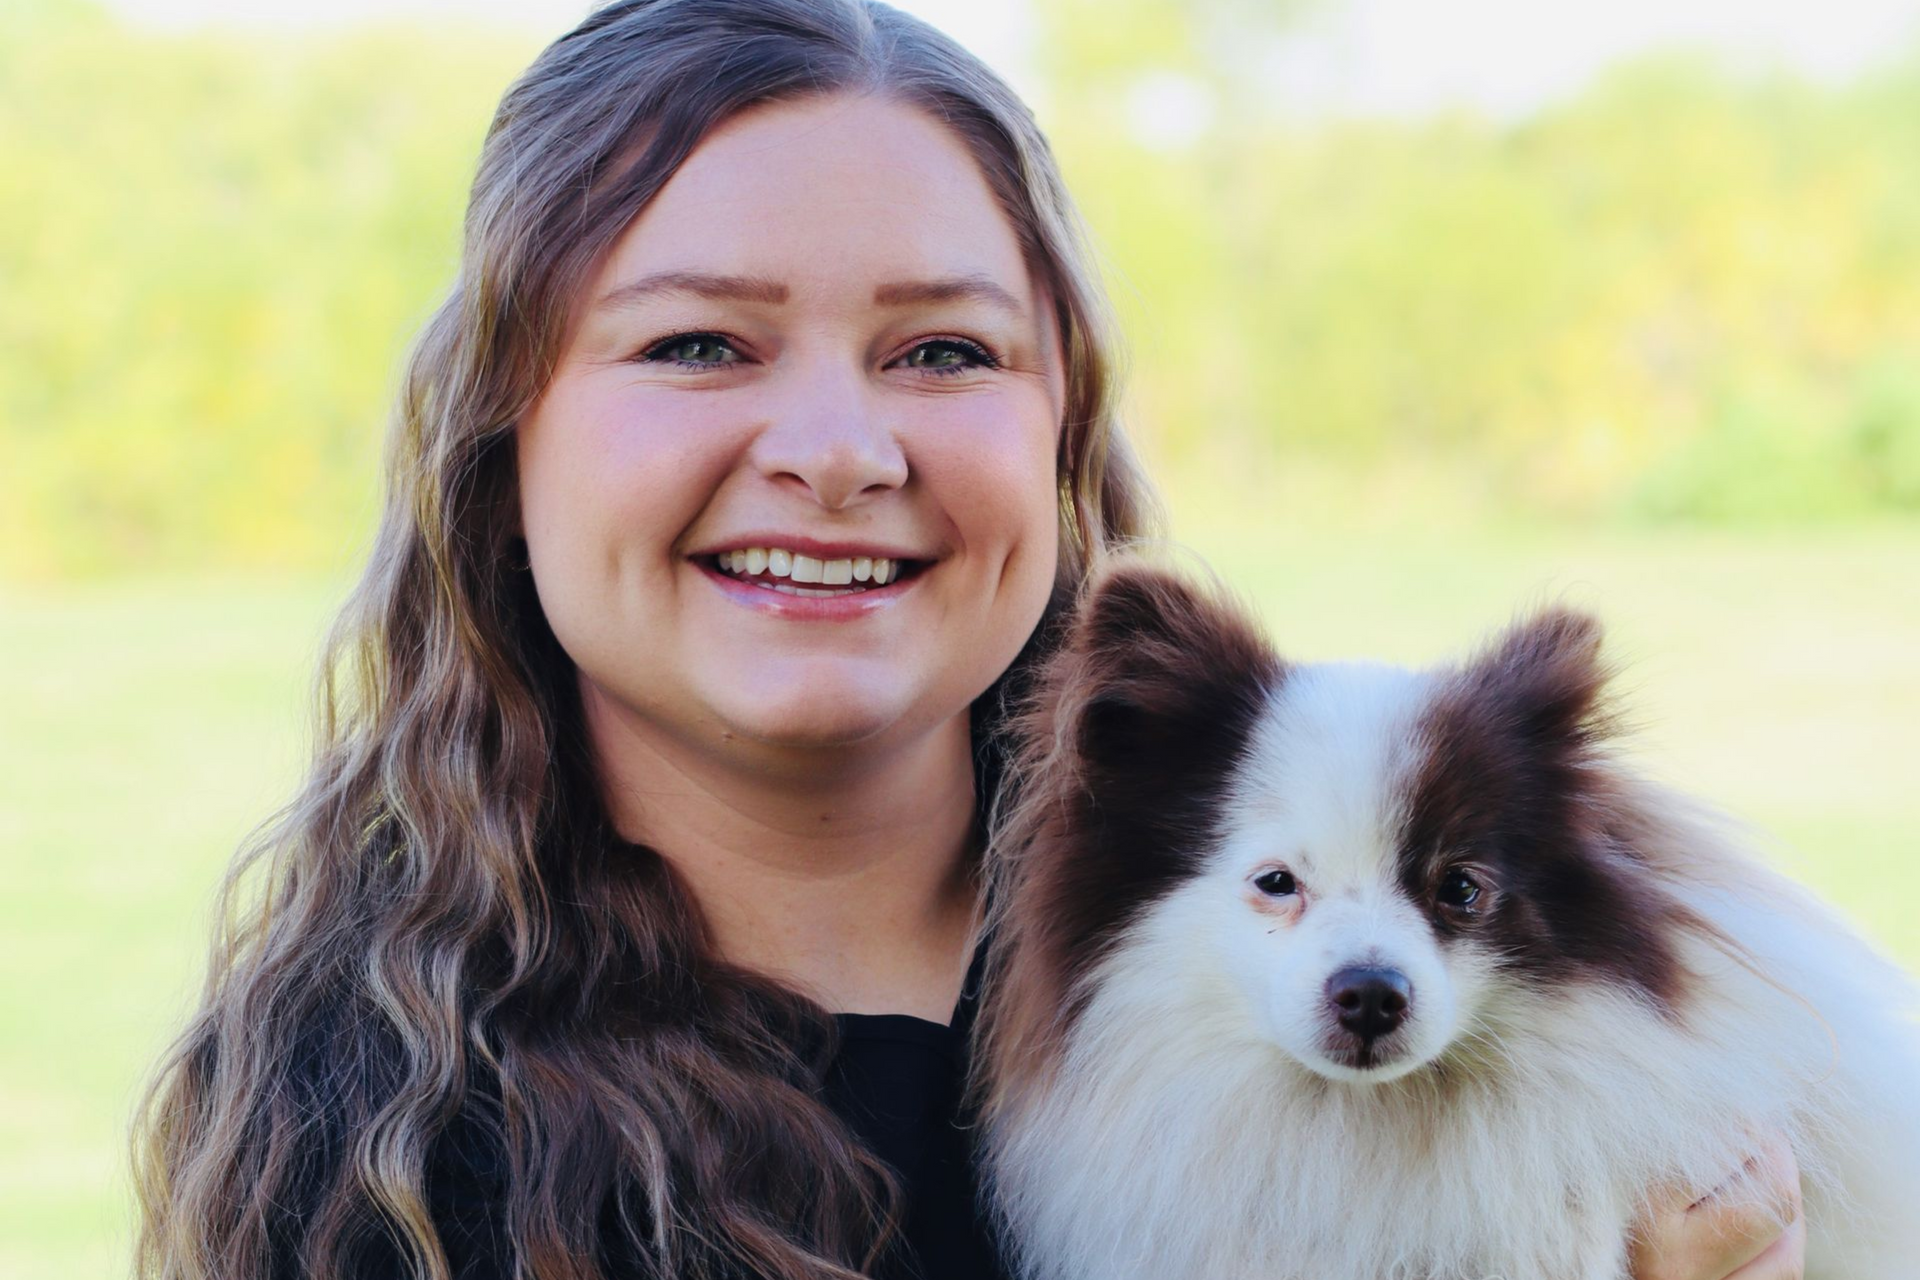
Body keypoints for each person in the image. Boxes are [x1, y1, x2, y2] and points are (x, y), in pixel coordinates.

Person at [129, 2, 1806, 1278]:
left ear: (1064, 437)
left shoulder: (1390, 934)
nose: (842, 449)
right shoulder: (392, 1149)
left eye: (943, 354)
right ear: (505, 443)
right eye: (703, 344)